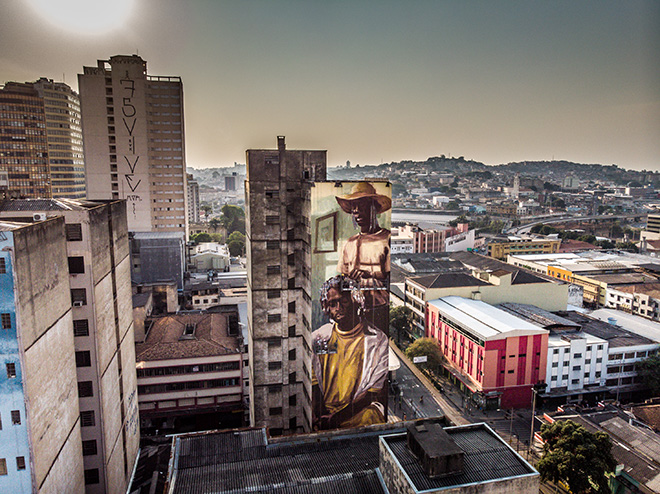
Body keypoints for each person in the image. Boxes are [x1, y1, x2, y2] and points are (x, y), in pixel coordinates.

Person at [311, 275, 388, 430]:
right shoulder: (318, 338)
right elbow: (313, 384)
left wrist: (337, 418)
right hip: (326, 418)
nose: (338, 307)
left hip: (360, 417)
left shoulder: (378, 340)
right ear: (327, 308)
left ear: (355, 300)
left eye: (343, 301)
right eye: (332, 304)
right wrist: (322, 416)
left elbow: (372, 394)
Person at [335, 182, 391, 331]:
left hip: (379, 311)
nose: (357, 212)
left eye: (362, 206)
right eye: (354, 208)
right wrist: (349, 280)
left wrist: (370, 275)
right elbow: (341, 278)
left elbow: (392, 280)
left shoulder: (386, 239)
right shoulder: (349, 243)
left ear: (373, 208)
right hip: (353, 313)